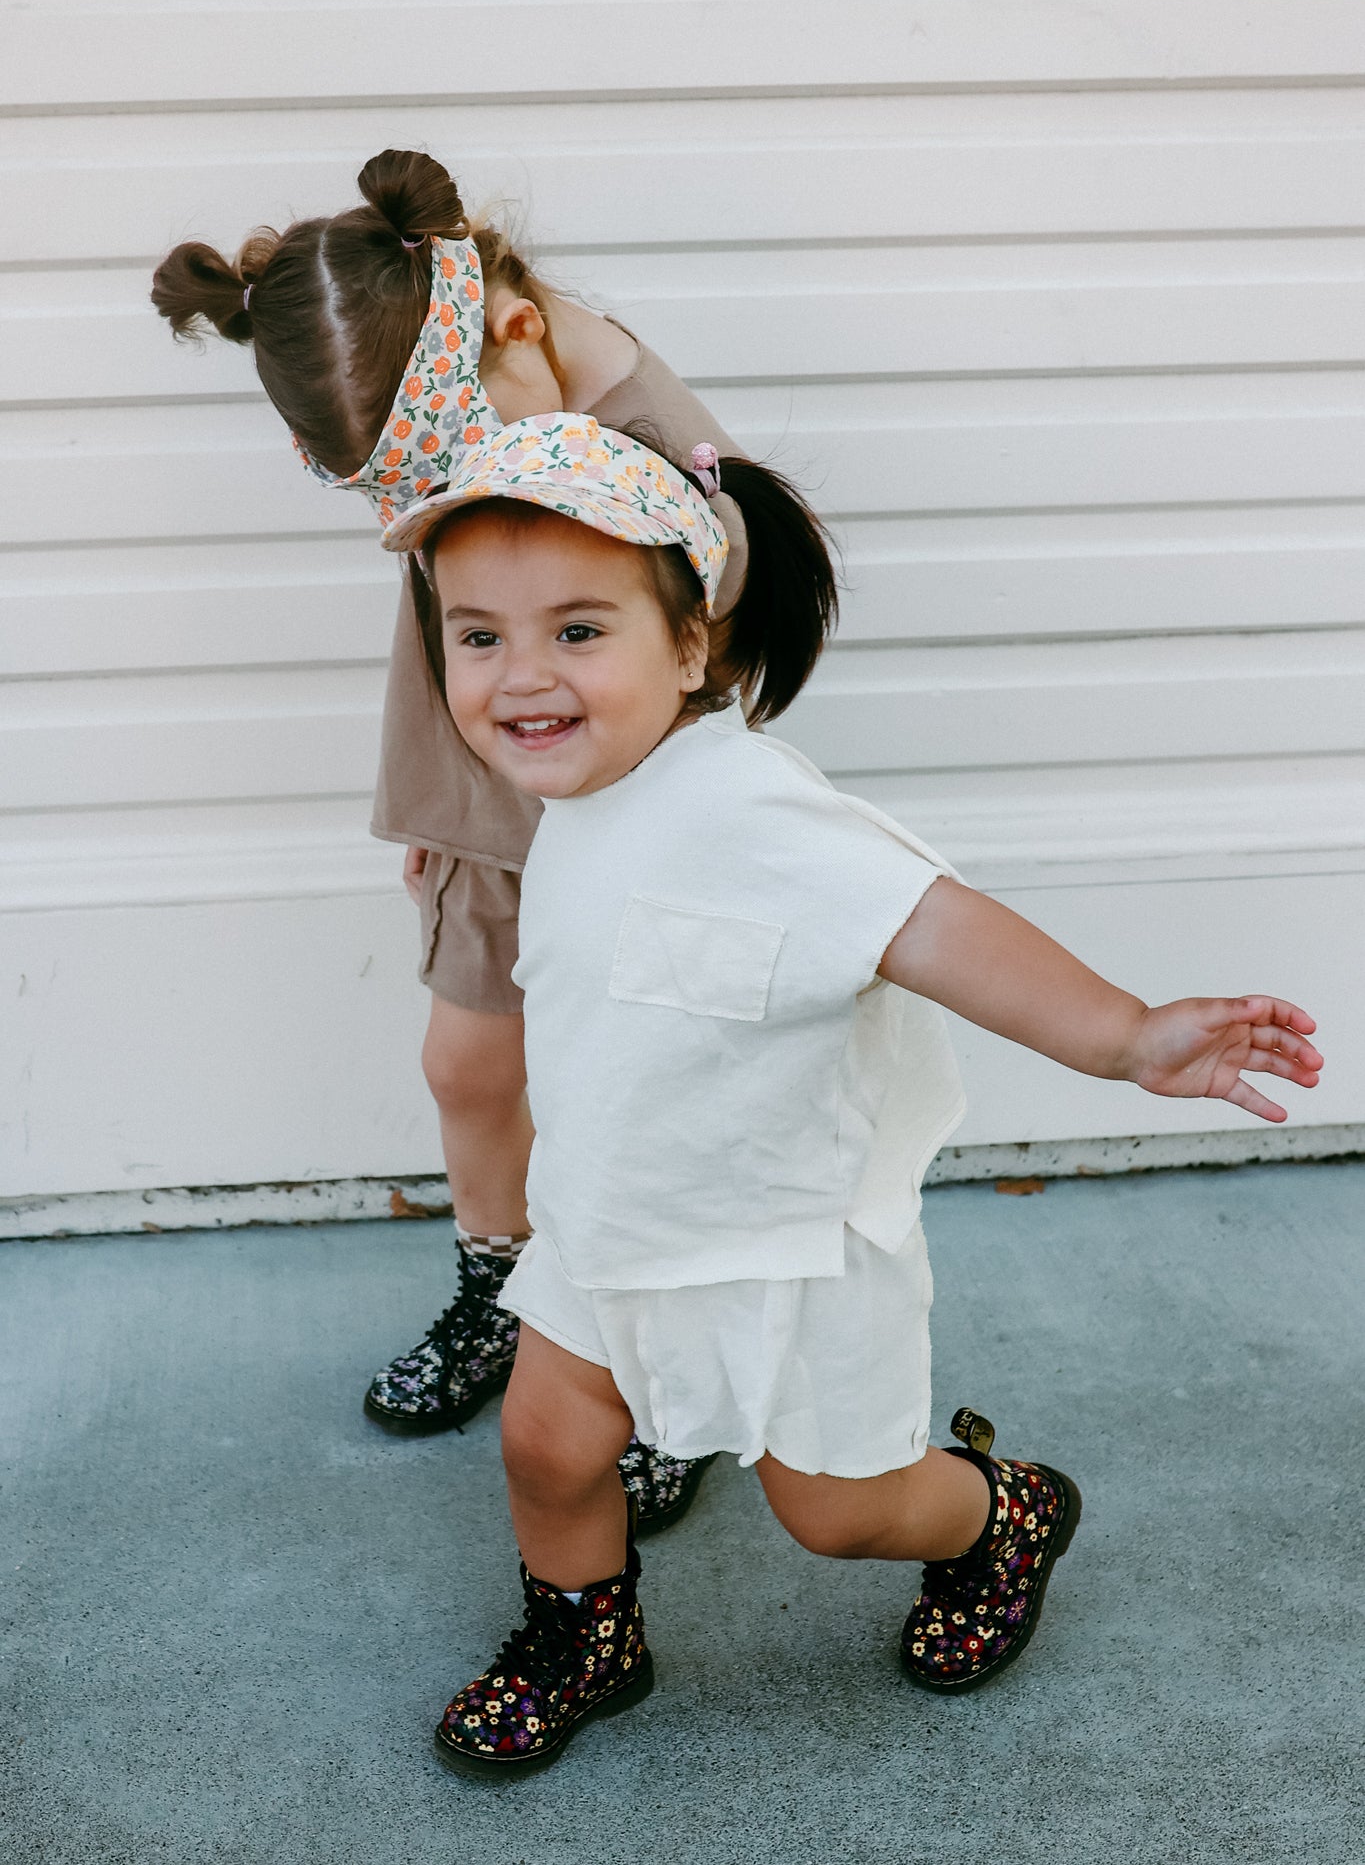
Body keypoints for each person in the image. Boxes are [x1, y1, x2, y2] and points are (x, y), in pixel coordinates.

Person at [381, 411, 1323, 1775]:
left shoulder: (752, 812)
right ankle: (585, 1638)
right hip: (612, 1221)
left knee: (837, 1508)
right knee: (546, 1443)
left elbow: (933, 923)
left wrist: (1123, 1037)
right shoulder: (579, 783)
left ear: (692, 644)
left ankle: (997, 1515)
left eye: (579, 632)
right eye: (478, 637)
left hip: (774, 1244)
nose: (521, 675)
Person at [151, 150, 747, 1528]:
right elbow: (446, 621)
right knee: (469, 1063)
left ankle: (671, 1364)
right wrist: (435, 795)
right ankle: (501, 1286)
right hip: (490, 806)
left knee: (639, 1096)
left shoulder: (662, 445)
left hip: (642, 817)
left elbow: (722, 633)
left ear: (516, 329)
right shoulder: (468, 413)